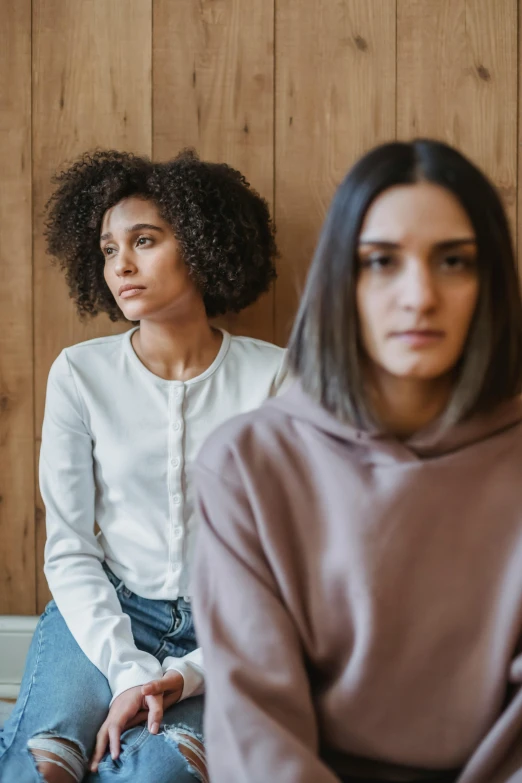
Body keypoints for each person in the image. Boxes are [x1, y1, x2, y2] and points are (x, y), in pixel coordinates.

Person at [192, 139, 522, 783]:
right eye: (381, 262)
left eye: (454, 261)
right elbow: (256, 730)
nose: (420, 296)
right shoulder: (247, 465)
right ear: (343, 278)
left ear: (491, 284)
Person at [0, 149, 286, 783]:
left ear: (204, 245)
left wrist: (185, 675)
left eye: (145, 241)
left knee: (153, 771)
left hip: (230, 627)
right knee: (41, 767)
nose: (121, 265)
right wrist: (129, 670)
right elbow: (70, 549)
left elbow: (289, 566)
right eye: (107, 250)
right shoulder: (79, 374)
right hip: (103, 610)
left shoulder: (275, 378)